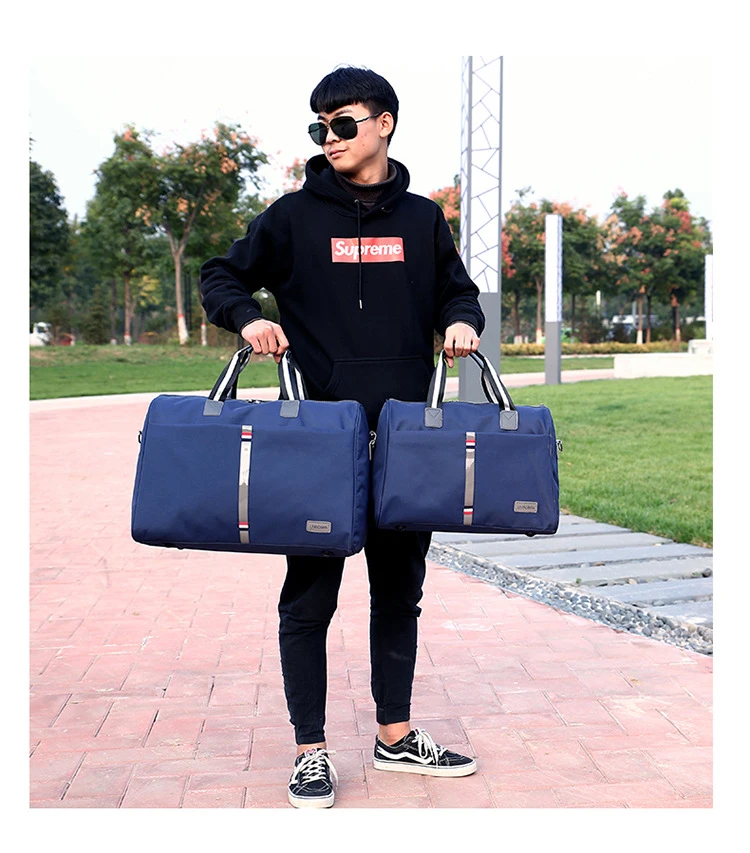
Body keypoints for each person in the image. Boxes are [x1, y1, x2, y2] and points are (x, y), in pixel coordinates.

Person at [200, 65, 485, 809]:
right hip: (318, 444)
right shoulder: (292, 218)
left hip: (405, 445)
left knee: (399, 594)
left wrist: (462, 320)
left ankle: (396, 735)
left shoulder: (423, 219)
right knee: (309, 599)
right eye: (319, 127)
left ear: (384, 123)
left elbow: (457, 290)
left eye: (343, 123)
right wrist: (248, 318)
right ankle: (310, 750)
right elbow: (221, 275)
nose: (329, 138)